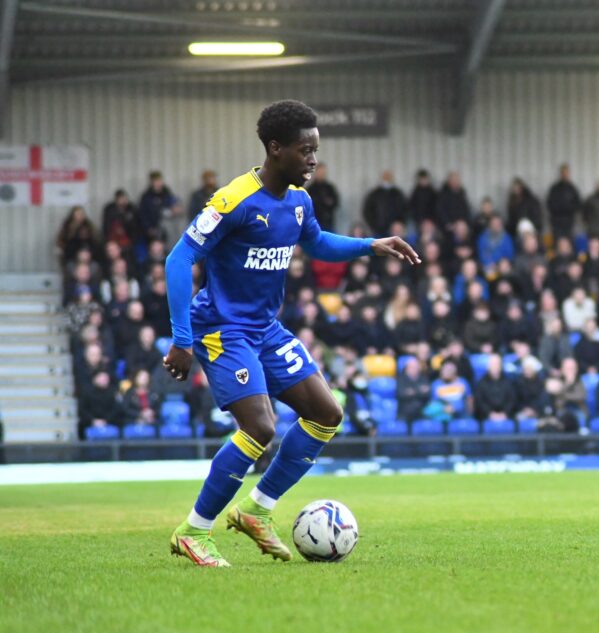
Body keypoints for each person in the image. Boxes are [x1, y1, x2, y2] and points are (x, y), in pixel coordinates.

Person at [162, 100, 420, 567]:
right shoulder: (233, 200)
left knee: (326, 413)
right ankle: (193, 531)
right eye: (305, 150)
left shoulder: (299, 202)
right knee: (260, 427)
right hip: (222, 328)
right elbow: (179, 258)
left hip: (265, 329)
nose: (313, 159)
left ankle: (256, 509)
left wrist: (371, 245)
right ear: (275, 148)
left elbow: (317, 242)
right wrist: (181, 339)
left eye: (316, 150)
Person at [362, 170, 407, 237]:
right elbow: (367, 211)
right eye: (385, 177)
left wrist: (399, 223)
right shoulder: (375, 193)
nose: (387, 180)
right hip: (378, 230)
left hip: (394, 230)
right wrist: (374, 225)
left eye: (388, 177)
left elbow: (404, 210)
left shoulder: (397, 193)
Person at [546, 163, 582, 242]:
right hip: (556, 222)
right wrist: (560, 208)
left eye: (566, 172)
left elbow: (578, 205)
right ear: (561, 174)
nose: (565, 174)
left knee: (569, 243)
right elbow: (549, 204)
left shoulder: (573, 189)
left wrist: (568, 208)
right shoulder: (554, 189)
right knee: (557, 243)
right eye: (563, 172)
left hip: (569, 222)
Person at [304, 163, 340, 232]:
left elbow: (336, 202)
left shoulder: (329, 188)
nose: (322, 174)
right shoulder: (310, 189)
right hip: (315, 222)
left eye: (323, 172)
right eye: (320, 172)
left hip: (328, 222)